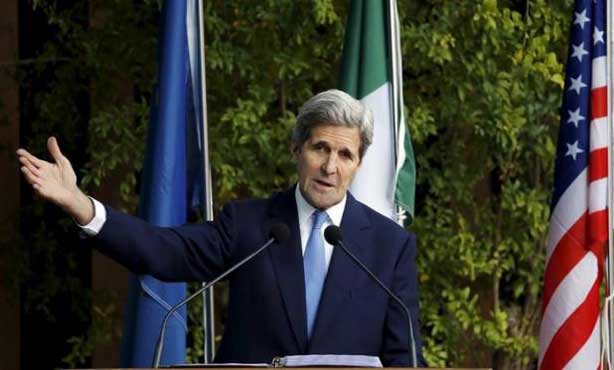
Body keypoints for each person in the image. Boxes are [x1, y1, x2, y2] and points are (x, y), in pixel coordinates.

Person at [17, 89, 424, 366]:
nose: (330, 167)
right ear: (296, 149)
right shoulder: (249, 225)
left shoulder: (390, 247)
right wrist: (80, 205)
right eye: (320, 148)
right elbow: (164, 250)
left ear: (358, 163)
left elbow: (404, 357)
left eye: (344, 154)